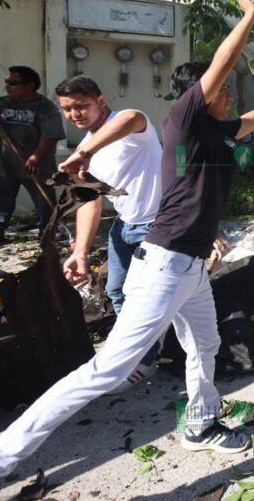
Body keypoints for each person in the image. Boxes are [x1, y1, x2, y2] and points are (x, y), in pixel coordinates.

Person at [0, 0, 254, 500]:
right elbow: (223, 64)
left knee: (204, 345)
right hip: (164, 264)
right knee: (108, 368)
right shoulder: (182, 122)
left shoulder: (222, 133)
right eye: (223, 88)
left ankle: (200, 425)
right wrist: (250, 16)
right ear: (204, 94)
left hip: (191, 269)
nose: (231, 94)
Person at [55, 75, 164, 390]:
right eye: (67, 109)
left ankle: (145, 360)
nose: (75, 114)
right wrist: (80, 253)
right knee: (117, 291)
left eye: (81, 106)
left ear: (101, 101)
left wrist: (85, 152)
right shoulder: (88, 150)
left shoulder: (128, 125)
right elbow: (90, 202)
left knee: (150, 297)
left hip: (157, 225)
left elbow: (132, 118)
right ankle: (136, 354)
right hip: (125, 225)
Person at [0, 66, 65, 246]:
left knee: (44, 201)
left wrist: (35, 157)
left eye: (13, 83)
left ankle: (48, 233)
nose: (8, 86)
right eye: (7, 82)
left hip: (36, 165)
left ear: (30, 85)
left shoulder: (45, 107)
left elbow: (50, 135)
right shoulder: (0, 103)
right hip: (3, 164)